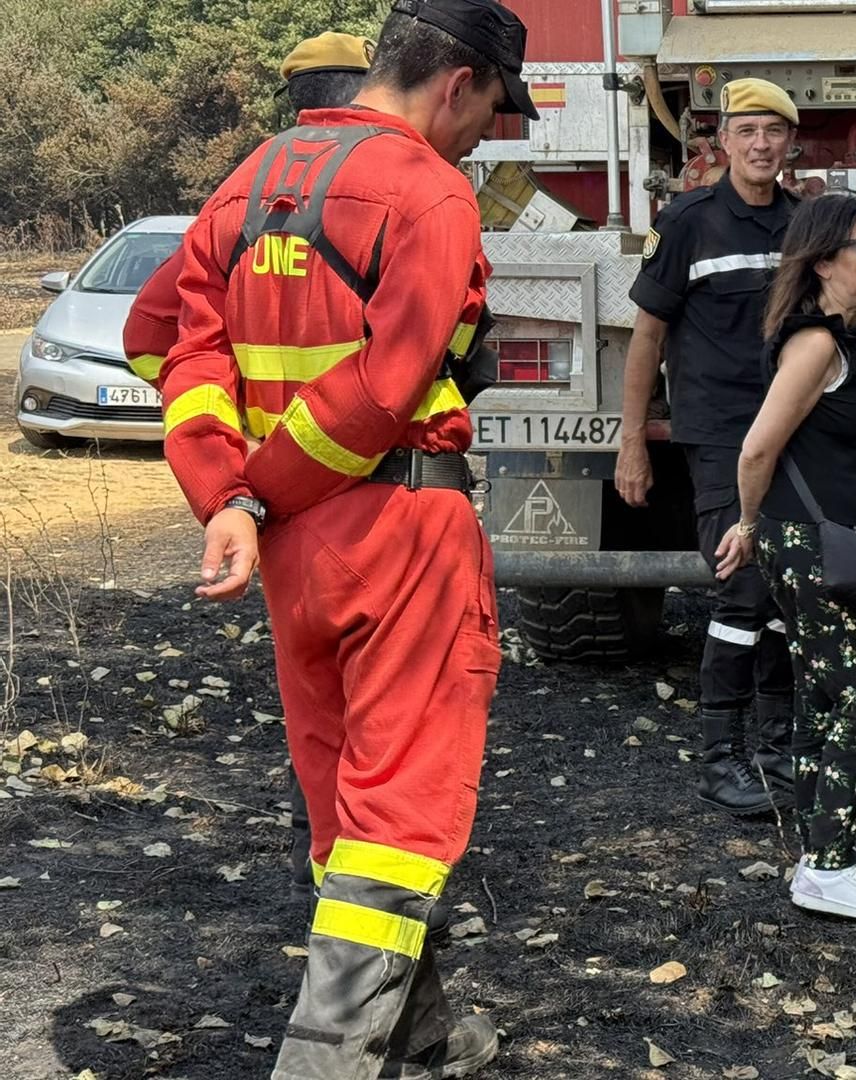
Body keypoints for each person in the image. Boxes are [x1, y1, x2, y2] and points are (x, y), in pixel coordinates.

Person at [155, 0, 539, 1074]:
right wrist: (260, 494)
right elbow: (383, 387)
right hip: (399, 528)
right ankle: (325, 1063)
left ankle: (421, 1032)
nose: (483, 139)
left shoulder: (248, 182)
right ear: (455, 83)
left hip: (293, 558)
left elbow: (169, 351)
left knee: (348, 816)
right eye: (490, 114)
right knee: (400, 820)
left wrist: (228, 498)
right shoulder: (429, 191)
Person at [126, 27, 376, 911]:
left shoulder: (243, 193)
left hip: (272, 518)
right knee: (395, 742)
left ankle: (339, 903)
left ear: (291, 102)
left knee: (320, 727)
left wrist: (233, 453)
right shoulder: (399, 186)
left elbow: (153, 338)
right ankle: (369, 973)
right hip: (380, 505)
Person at [712, 193, 856, 921]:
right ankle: (827, 868)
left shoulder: (833, 339)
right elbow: (758, 445)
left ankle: (829, 855)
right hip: (806, 548)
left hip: (812, 545)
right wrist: (747, 521)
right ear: (824, 261)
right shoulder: (815, 344)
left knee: (823, 697)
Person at [619, 77, 804, 817]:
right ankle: (720, 757)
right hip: (722, 438)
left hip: (795, 435)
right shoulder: (688, 222)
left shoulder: (807, 223)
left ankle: (777, 752)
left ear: (792, 144)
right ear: (721, 142)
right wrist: (633, 440)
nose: (761, 145)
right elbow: (647, 337)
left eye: (775, 132)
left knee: (791, 592)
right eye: (748, 131)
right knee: (742, 586)